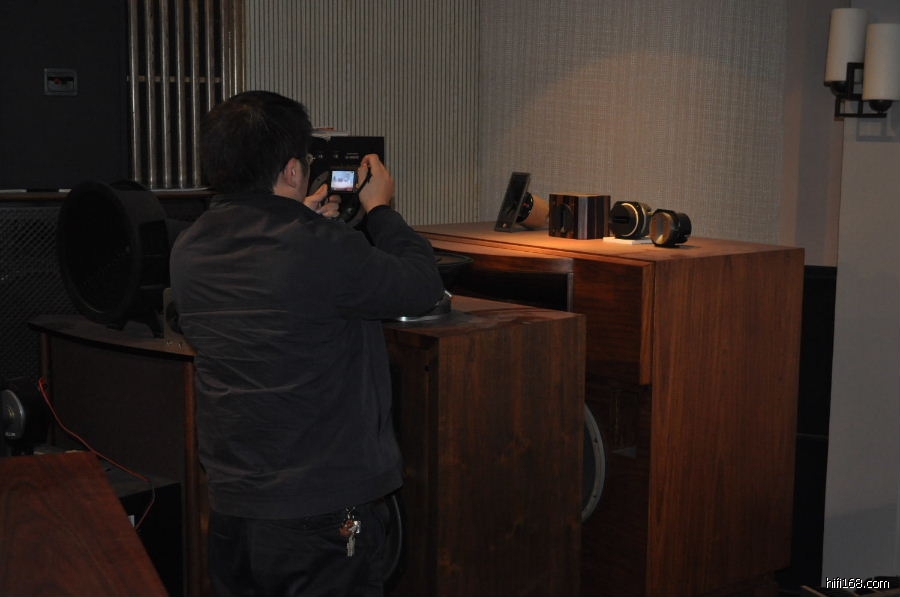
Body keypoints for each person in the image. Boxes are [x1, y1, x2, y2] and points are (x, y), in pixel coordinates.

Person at [169, 90, 445, 596]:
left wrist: (302, 218)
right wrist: (380, 210)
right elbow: (421, 285)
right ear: (293, 170)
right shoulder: (319, 247)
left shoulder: (190, 246)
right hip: (320, 508)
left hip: (234, 502)